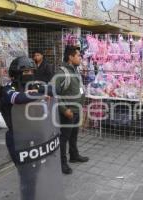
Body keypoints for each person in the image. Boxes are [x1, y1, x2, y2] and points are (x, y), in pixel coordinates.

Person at [0, 57, 58, 199]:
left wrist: (44, 89)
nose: (30, 74)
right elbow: (18, 98)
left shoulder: (33, 86)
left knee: (36, 173)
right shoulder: (7, 89)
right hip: (18, 138)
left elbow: (54, 89)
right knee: (27, 176)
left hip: (35, 136)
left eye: (32, 71)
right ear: (16, 74)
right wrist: (39, 94)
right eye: (26, 71)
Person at [54, 45, 89, 175]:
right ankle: (62, 163)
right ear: (70, 57)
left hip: (76, 111)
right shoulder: (61, 73)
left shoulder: (75, 70)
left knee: (73, 135)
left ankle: (74, 156)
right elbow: (53, 93)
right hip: (68, 113)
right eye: (78, 55)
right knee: (64, 138)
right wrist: (64, 110)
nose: (80, 58)